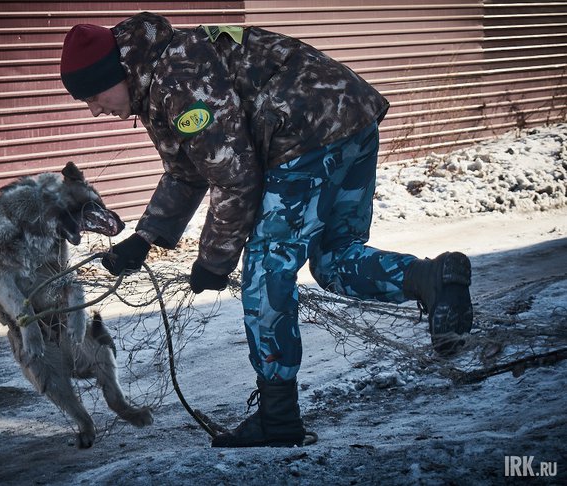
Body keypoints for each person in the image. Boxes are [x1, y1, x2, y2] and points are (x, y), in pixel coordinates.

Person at [60, 12, 473, 448]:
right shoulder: (158, 74)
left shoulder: (177, 78)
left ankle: (278, 418)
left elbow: (234, 178)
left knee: (265, 269)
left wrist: (214, 262)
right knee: (334, 259)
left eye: (93, 95)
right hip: (351, 119)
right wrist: (143, 240)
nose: (94, 109)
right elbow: (187, 171)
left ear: (117, 73)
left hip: (305, 134)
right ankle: (432, 278)